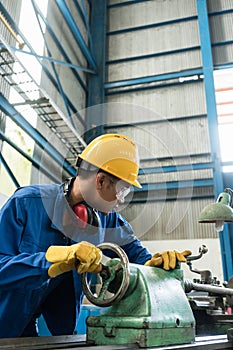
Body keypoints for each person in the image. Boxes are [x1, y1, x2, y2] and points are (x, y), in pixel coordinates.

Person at [0, 133, 191, 338]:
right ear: (100, 180)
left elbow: (140, 258)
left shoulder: (108, 221)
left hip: (49, 332)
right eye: (122, 190)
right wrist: (47, 261)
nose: (120, 200)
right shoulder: (27, 204)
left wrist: (157, 265)